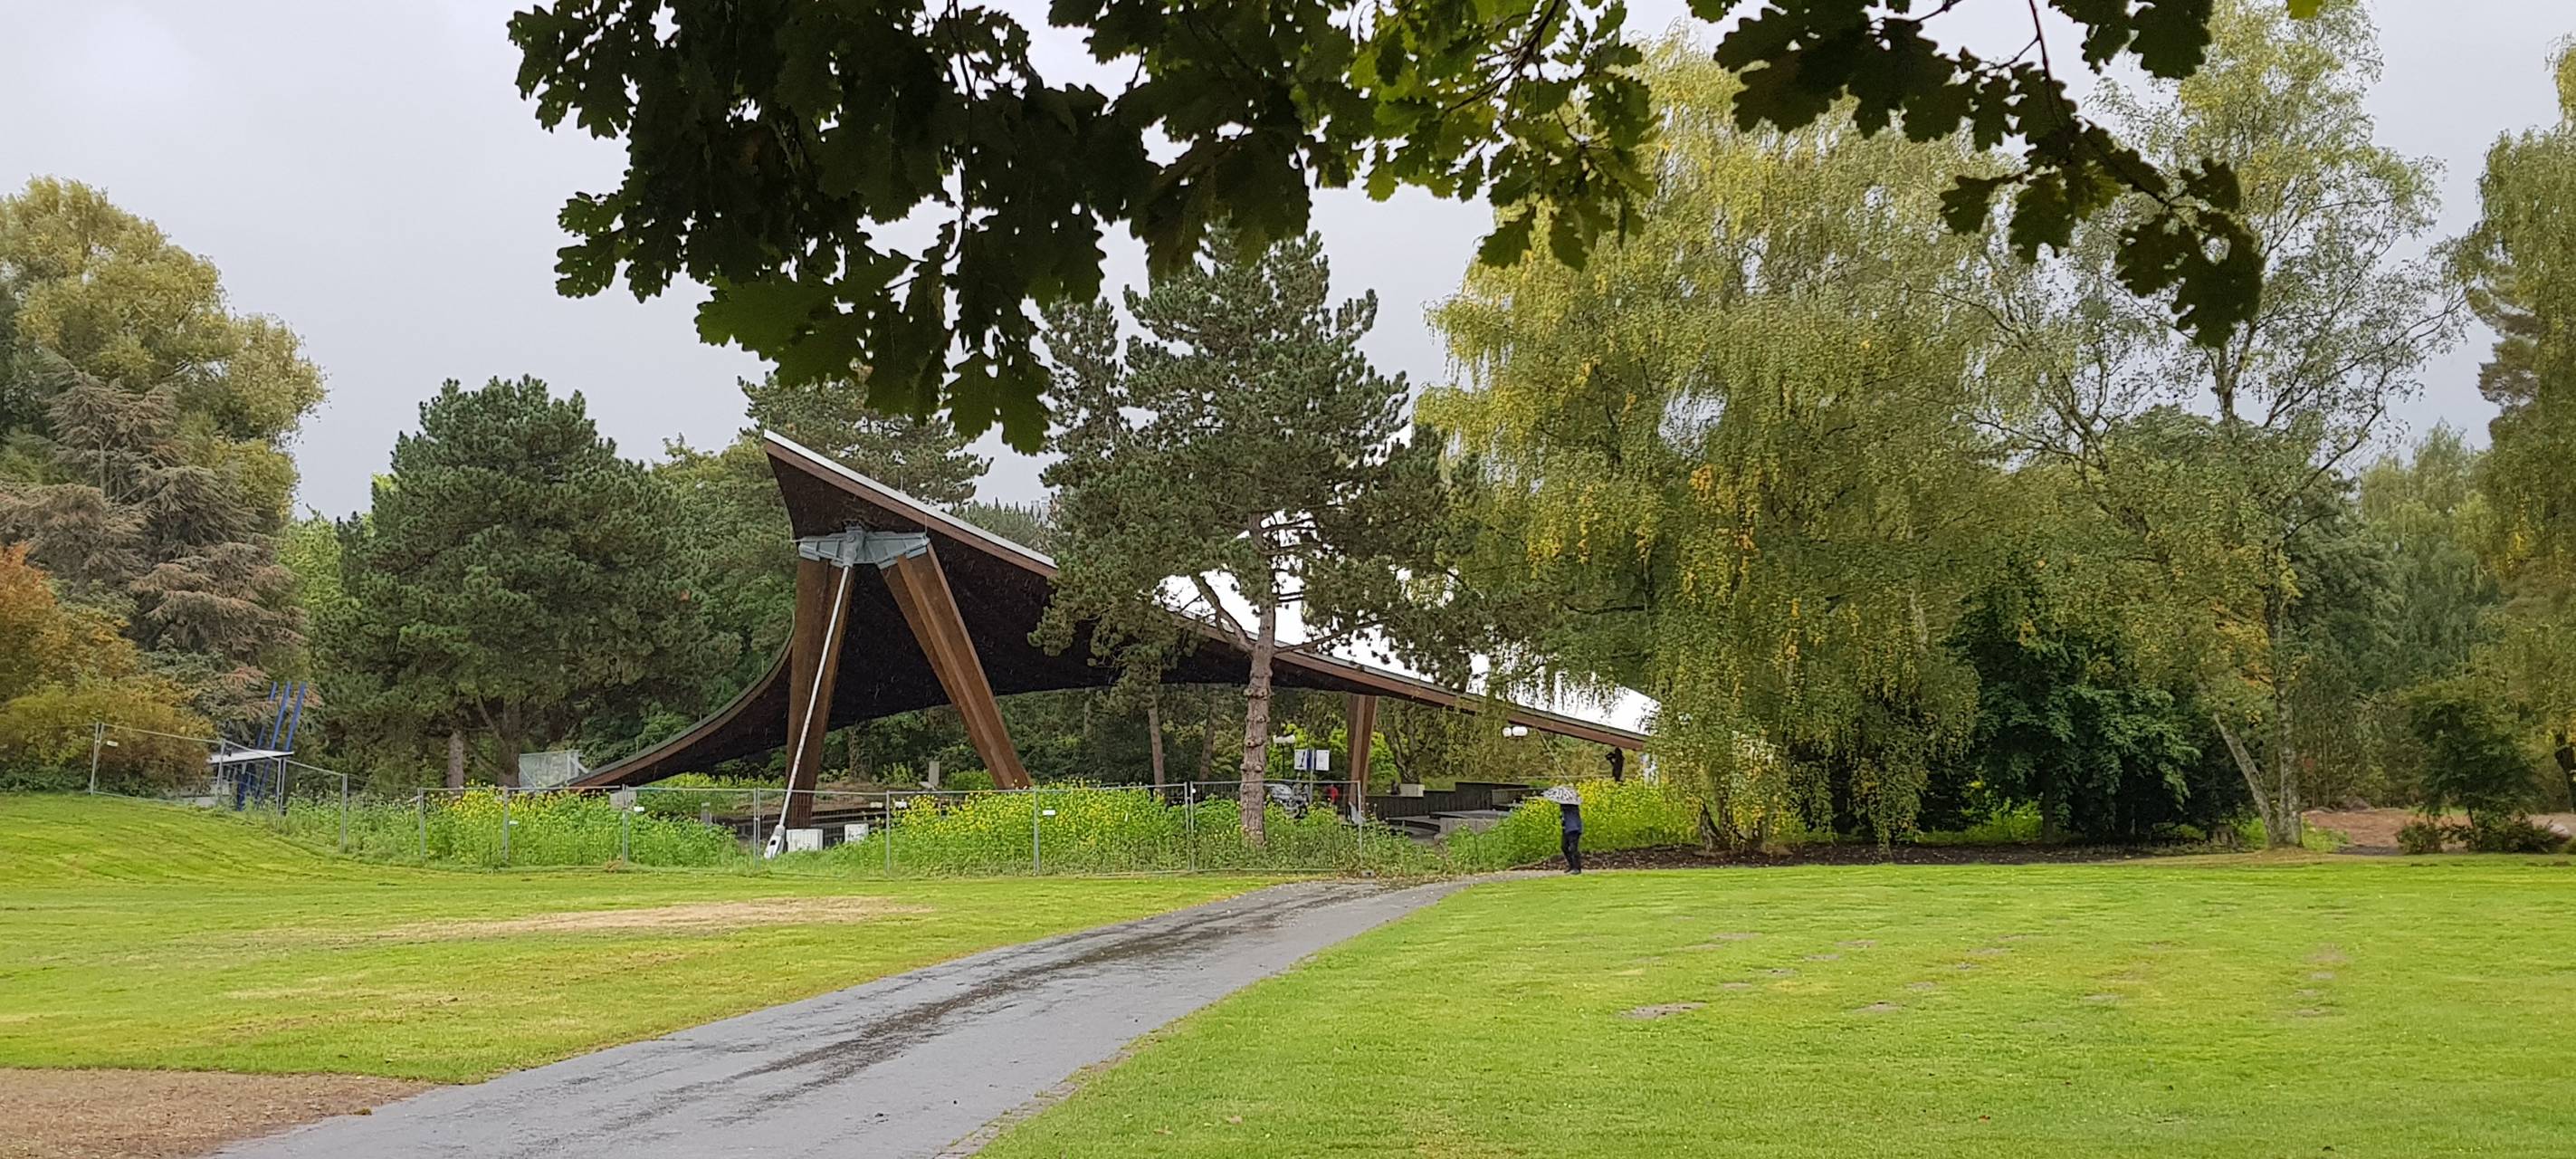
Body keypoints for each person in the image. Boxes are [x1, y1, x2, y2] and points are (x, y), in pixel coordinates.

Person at [1560, 795, 1584, 874]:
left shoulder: (1572, 805)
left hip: (1574, 828)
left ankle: (1577, 868)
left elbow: (1570, 813)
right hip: (1567, 828)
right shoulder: (1564, 808)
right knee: (1564, 846)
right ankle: (1571, 865)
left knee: (1573, 848)